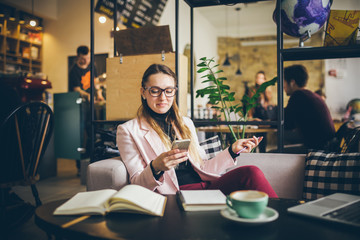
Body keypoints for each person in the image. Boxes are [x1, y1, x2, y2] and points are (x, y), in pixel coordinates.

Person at [116, 64, 278, 197]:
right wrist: (155, 167)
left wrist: (232, 150)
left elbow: (204, 166)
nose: (163, 97)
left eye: (168, 90)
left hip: (208, 186)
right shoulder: (128, 131)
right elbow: (136, 184)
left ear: (174, 91)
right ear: (143, 92)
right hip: (178, 193)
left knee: (251, 172)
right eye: (155, 90)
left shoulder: (185, 123)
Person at [283, 65, 335, 152]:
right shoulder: (310, 95)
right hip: (327, 145)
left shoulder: (298, 95)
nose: (283, 86)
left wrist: (267, 122)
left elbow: (287, 124)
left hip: (318, 150)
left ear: (292, 82)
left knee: (270, 153)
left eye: (284, 82)